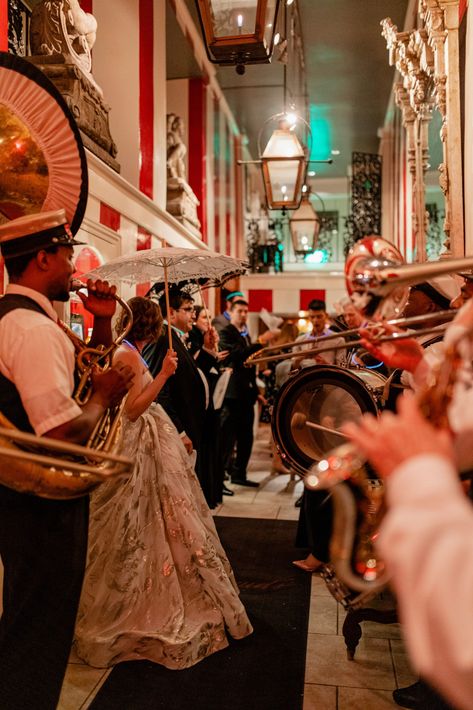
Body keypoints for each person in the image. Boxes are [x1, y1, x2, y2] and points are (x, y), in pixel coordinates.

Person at [0, 210, 133, 710]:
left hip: (29, 500)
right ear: (41, 257)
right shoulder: (30, 330)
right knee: (39, 629)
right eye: (67, 255)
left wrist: (101, 326)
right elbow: (58, 432)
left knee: (33, 620)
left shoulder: (22, 318)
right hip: (41, 505)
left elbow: (75, 381)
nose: (74, 266)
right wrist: (102, 398)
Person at [75, 297, 253, 669]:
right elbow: (131, 409)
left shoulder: (128, 350)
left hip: (151, 438)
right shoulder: (126, 354)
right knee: (141, 517)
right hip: (137, 442)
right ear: (152, 326)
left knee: (164, 512)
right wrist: (164, 375)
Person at [143, 288, 219, 487]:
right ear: (171, 312)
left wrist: (208, 350)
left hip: (192, 422)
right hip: (177, 427)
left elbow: (191, 377)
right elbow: (159, 390)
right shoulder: (162, 339)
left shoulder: (177, 337)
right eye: (188, 309)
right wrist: (179, 431)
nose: (193, 315)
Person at [219, 298, 278, 487]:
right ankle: (219, 478)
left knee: (246, 437)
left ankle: (239, 474)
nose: (244, 314)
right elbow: (237, 356)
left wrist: (256, 393)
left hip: (246, 395)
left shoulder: (244, 335)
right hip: (232, 394)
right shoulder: (226, 332)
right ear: (231, 312)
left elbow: (249, 367)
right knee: (227, 438)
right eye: (240, 311)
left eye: (246, 311)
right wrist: (261, 340)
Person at [188, 304, 231, 504]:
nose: (208, 321)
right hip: (201, 406)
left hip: (213, 400)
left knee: (216, 448)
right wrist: (209, 352)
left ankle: (215, 488)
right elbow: (196, 370)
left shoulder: (206, 338)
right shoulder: (193, 338)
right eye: (204, 317)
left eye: (209, 317)